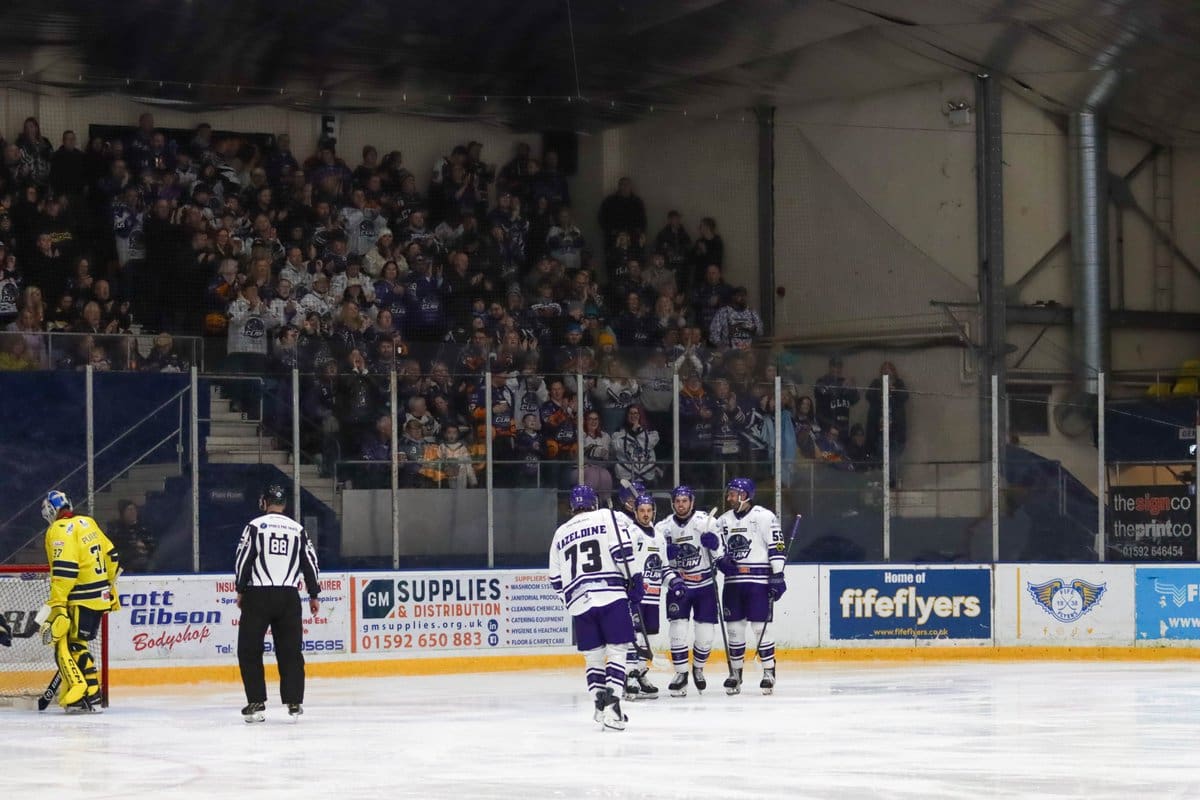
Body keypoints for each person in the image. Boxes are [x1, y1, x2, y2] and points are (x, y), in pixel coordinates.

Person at [547, 485, 641, 731]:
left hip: (579, 603)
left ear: (572, 508)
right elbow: (622, 552)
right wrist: (635, 580)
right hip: (610, 593)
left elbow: (556, 579)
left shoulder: (560, 533)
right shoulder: (606, 517)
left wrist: (572, 601)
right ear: (594, 503)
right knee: (618, 651)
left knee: (594, 657)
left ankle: (599, 706)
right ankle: (613, 705)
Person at [234, 484, 320, 723]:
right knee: (290, 650)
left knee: (249, 649)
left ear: (264, 502)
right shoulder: (298, 529)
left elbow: (243, 560)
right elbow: (310, 563)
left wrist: (240, 589)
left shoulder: (254, 527)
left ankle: (256, 701)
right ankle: (294, 701)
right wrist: (314, 594)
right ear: (284, 504)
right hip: (288, 597)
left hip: (258, 595)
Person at [39, 490, 120, 712]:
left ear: (50, 510)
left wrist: (57, 603)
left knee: (71, 646)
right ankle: (92, 695)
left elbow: (65, 570)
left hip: (80, 598)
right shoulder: (88, 522)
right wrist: (108, 586)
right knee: (79, 645)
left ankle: (86, 695)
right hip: (99, 596)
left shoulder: (59, 529)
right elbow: (113, 556)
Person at [714, 478, 784, 695]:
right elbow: (717, 548)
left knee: (760, 627)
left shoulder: (764, 517)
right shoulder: (723, 520)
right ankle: (736, 673)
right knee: (734, 629)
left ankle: (769, 671)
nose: (729, 498)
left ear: (744, 495)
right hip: (733, 583)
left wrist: (778, 574)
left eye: (733, 494)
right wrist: (720, 559)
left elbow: (776, 546)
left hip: (758, 581)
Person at [656, 485, 723, 696]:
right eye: (677, 501)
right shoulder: (663, 527)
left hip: (705, 585)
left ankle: (698, 668)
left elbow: (722, 552)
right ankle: (681, 674)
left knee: (705, 636)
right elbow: (655, 561)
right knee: (677, 630)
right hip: (679, 585)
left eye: (685, 500)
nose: (681, 504)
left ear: (692, 502)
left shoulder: (706, 522)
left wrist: (714, 544)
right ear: (673, 503)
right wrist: (665, 553)